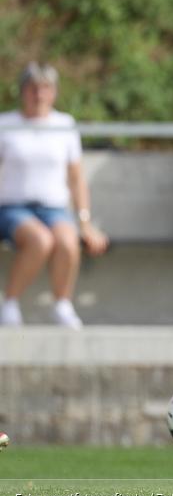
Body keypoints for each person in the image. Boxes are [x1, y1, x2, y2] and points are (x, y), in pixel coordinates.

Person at [0, 62, 108, 328]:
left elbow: (76, 178)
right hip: (12, 207)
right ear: (23, 91)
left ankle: (62, 303)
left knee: (68, 241)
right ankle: (10, 302)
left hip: (53, 207)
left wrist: (85, 221)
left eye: (45, 88)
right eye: (33, 88)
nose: (39, 94)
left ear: (54, 92)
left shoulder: (64, 124)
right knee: (40, 240)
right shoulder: (6, 124)